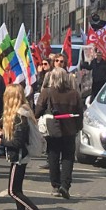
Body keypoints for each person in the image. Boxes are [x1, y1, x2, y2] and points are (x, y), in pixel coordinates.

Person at [0, 84, 53, 210]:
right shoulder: (23, 113)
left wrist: (1, 141)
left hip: (20, 157)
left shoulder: (20, 116)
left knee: (13, 191)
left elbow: (18, 143)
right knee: (17, 189)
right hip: (19, 156)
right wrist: (3, 134)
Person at [35, 68, 83, 199]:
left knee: (53, 156)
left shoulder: (47, 92)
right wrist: (79, 127)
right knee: (68, 158)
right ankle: (65, 185)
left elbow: (38, 110)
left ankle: (55, 185)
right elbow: (80, 113)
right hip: (70, 130)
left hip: (52, 130)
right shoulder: (74, 94)